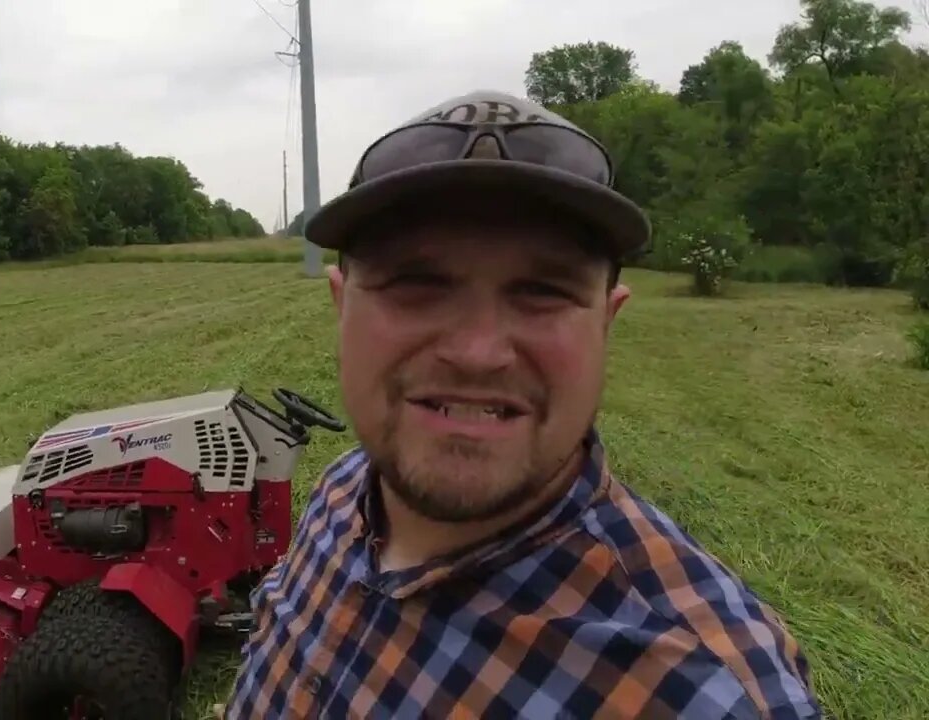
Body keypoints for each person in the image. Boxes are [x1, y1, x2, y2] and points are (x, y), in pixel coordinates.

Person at [221, 90, 822, 719]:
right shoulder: (340, 493)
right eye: (416, 285)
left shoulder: (702, 691)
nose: (478, 352)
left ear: (606, 324)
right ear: (341, 306)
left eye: (542, 291)